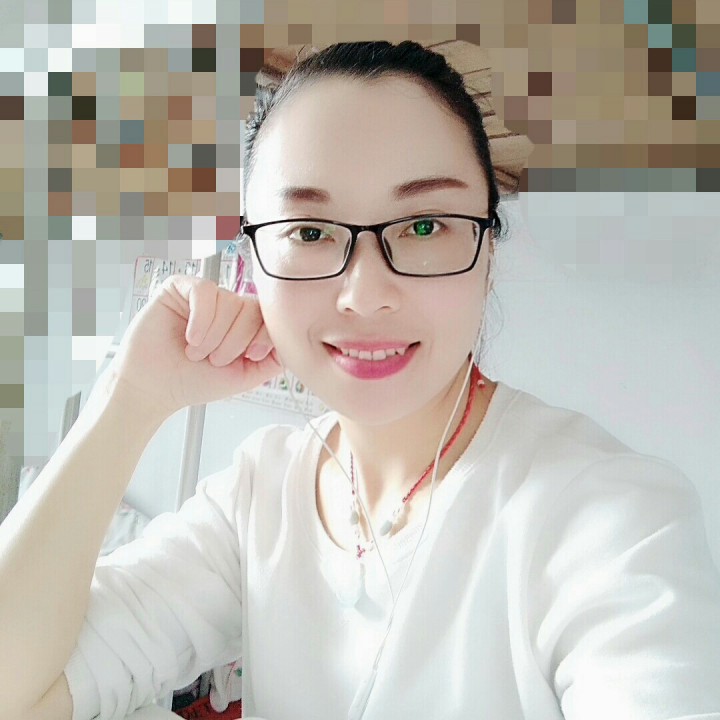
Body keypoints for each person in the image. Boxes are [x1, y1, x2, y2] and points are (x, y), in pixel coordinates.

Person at [2, 40, 720, 720]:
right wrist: (129, 397)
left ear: (488, 252)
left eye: (424, 225)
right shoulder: (260, 494)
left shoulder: (606, 516)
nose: (365, 294)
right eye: (311, 232)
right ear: (253, 262)